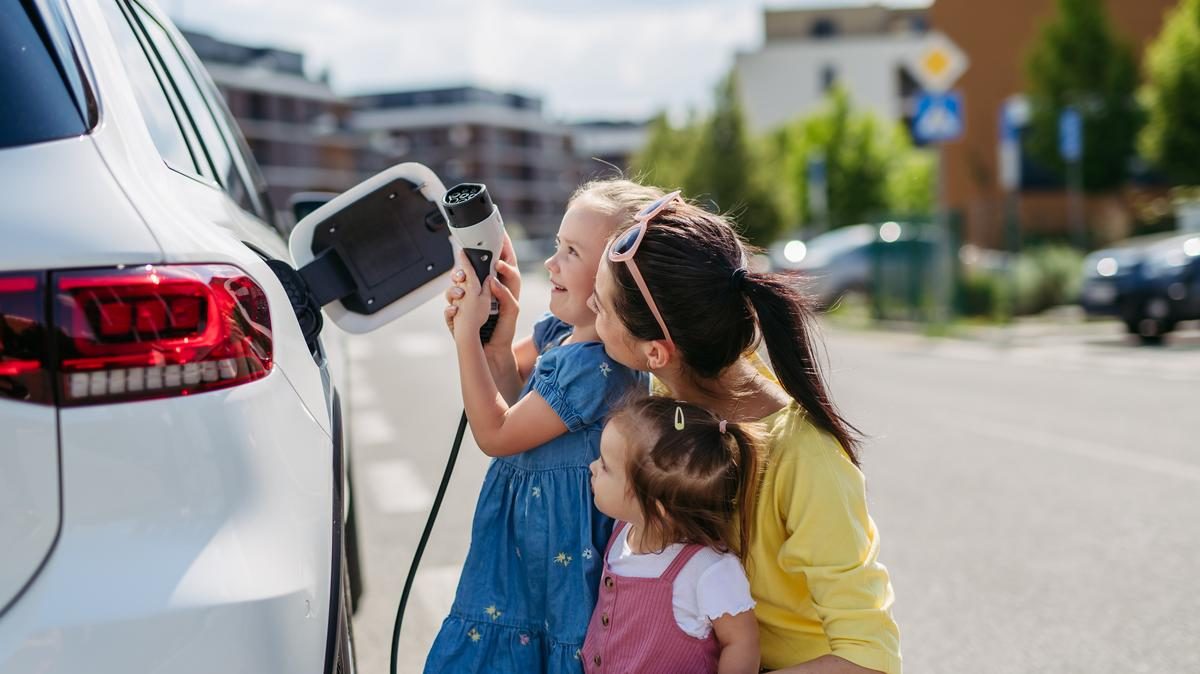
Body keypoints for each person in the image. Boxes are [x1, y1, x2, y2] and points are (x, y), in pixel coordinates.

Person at [586, 190, 903, 674]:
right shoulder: (676, 386)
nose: (591, 309)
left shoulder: (805, 459)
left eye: (602, 308)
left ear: (657, 350)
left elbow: (867, 657)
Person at [427, 180, 659, 673]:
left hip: (559, 557)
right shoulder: (558, 333)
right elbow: (515, 405)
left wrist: (467, 335)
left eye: (571, 253)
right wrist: (495, 342)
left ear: (616, 282)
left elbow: (496, 433)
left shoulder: (598, 368)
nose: (552, 264)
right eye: (557, 245)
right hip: (527, 546)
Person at [581, 396, 762, 674]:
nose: (593, 467)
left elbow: (741, 641)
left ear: (653, 506)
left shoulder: (707, 571)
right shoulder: (622, 531)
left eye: (605, 466)